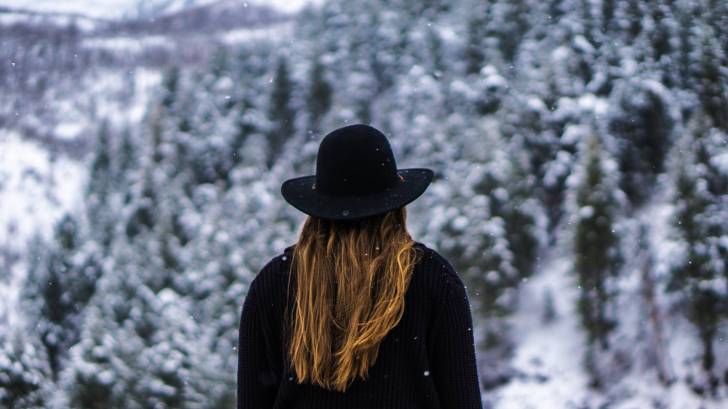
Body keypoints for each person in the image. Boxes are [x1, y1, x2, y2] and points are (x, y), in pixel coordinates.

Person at [237, 124, 483, 408]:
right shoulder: (432, 278)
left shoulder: (274, 283)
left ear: (319, 207)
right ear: (395, 205)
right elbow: (462, 399)